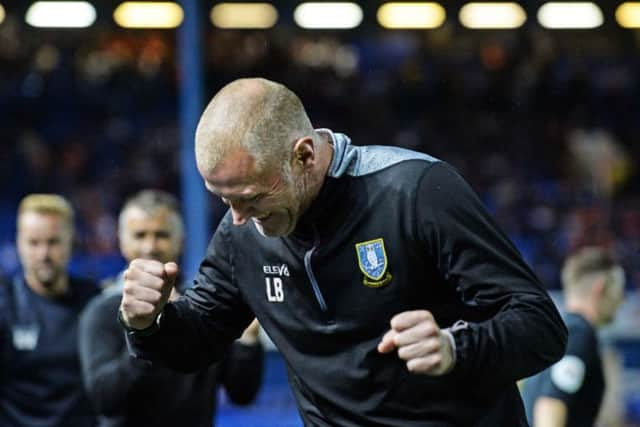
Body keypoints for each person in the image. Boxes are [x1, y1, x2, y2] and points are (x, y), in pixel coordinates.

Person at [119, 77, 568, 426]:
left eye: (251, 197)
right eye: (224, 199)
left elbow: (540, 326)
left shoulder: (416, 192)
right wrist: (148, 324)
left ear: (304, 157)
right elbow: (198, 340)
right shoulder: (243, 235)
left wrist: (456, 347)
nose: (238, 217)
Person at [78, 189, 264, 427]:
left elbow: (242, 394)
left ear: (181, 239)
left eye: (162, 234)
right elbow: (104, 400)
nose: (150, 246)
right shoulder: (101, 311)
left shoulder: (205, 306)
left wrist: (248, 343)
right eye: (140, 235)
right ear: (122, 240)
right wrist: (144, 331)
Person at [0, 194, 99, 427]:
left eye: (53, 242)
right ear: (19, 244)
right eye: (34, 243)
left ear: (71, 241)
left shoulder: (96, 303)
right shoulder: (5, 306)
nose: (43, 254)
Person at [522, 246, 625, 427]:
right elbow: (550, 404)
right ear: (600, 289)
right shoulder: (579, 334)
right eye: (619, 290)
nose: (621, 299)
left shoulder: (559, 331)